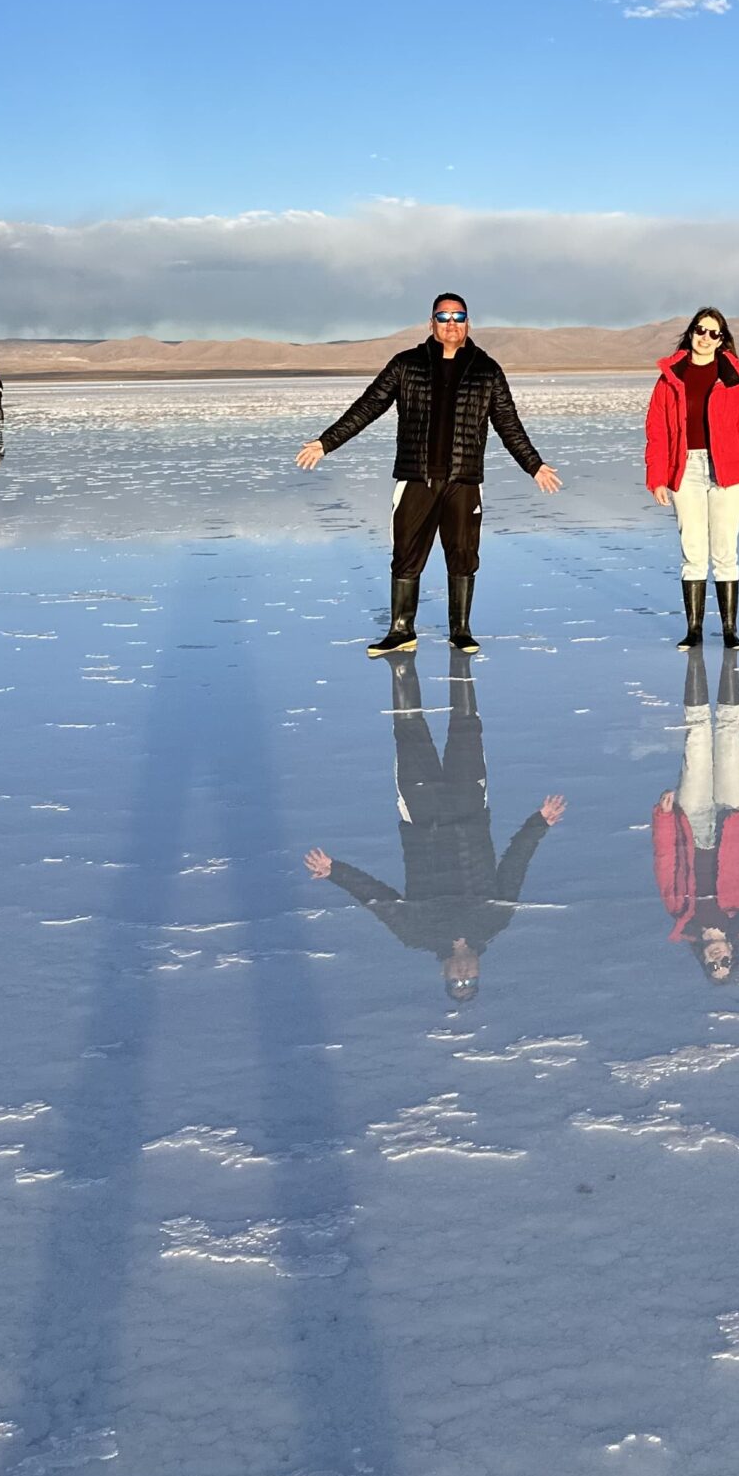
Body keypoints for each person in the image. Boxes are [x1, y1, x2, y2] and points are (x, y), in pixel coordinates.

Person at [296, 293, 561, 658]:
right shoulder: (407, 364)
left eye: (458, 316)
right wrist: (327, 442)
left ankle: (461, 631)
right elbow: (369, 405)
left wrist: (534, 464)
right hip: (415, 478)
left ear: (468, 322)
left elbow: (508, 423)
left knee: (463, 553)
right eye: (443, 316)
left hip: (463, 480)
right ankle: (401, 630)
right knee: (406, 553)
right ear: (431, 322)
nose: (451, 323)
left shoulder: (487, 370)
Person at [304, 649, 567, 1002]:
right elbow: (515, 865)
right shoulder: (494, 922)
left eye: (455, 983)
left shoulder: (416, 933)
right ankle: (460, 660)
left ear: (442, 974)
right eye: (470, 981)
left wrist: (334, 871)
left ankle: (401, 666)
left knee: (410, 733)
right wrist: (539, 823)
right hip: (470, 808)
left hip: (421, 814)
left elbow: (377, 898)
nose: (463, 976)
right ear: (478, 972)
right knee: (465, 730)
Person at [645, 308, 739, 649]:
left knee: (725, 549)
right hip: (687, 469)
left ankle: (729, 630)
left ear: (722, 339)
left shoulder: (735, 378)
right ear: (691, 332)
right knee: (693, 549)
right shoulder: (671, 377)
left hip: (727, 469)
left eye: (714, 333)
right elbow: (657, 432)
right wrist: (658, 476)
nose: (705, 337)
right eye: (701, 330)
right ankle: (694, 630)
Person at [653, 648, 739, 983]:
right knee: (730, 739)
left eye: (712, 967)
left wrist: (664, 818)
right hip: (734, 819)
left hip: (693, 822)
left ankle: (694, 660)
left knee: (696, 740)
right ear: (734, 954)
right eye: (726, 964)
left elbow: (665, 860)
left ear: (702, 960)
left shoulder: (682, 914)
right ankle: (730, 661)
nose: (719, 960)